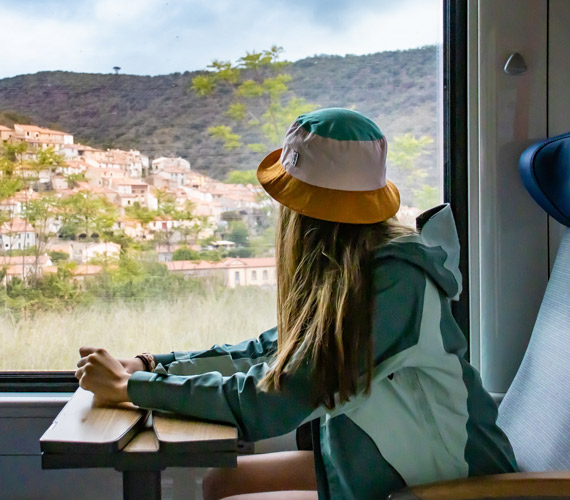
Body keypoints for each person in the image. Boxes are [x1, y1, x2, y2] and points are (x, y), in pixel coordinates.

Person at [76, 108, 518, 500]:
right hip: (383, 471)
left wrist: (131, 390)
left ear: (304, 213)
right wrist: (150, 364)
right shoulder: (352, 272)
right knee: (220, 483)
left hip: (448, 486)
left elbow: (271, 401)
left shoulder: (393, 285)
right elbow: (269, 351)